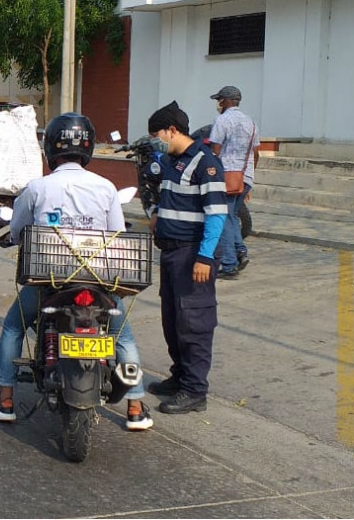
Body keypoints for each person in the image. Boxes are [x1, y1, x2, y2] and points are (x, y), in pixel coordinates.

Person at [0, 113, 154, 431]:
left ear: (50, 149)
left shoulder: (37, 188)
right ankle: (135, 407)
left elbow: (19, 230)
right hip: (99, 282)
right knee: (122, 335)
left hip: (50, 281)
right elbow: (116, 233)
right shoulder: (105, 187)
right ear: (87, 148)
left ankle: (5, 400)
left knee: (12, 327)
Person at [145, 101, 227, 414]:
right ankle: (180, 376)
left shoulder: (206, 163)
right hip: (171, 252)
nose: (156, 139)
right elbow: (164, 196)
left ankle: (195, 390)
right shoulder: (171, 160)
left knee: (194, 322)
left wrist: (205, 257)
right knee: (173, 320)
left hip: (193, 253)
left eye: (158, 134)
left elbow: (217, 215)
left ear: (173, 130)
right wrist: (155, 214)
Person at [209, 86, 259, 279]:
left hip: (226, 177)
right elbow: (256, 153)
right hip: (245, 177)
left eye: (219, 100)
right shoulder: (251, 122)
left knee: (222, 218)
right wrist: (248, 177)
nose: (218, 104)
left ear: (226, 101)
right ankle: (240, 251)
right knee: (230, 216)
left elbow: (215, 150)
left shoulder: (222, 120)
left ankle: (229, 264)